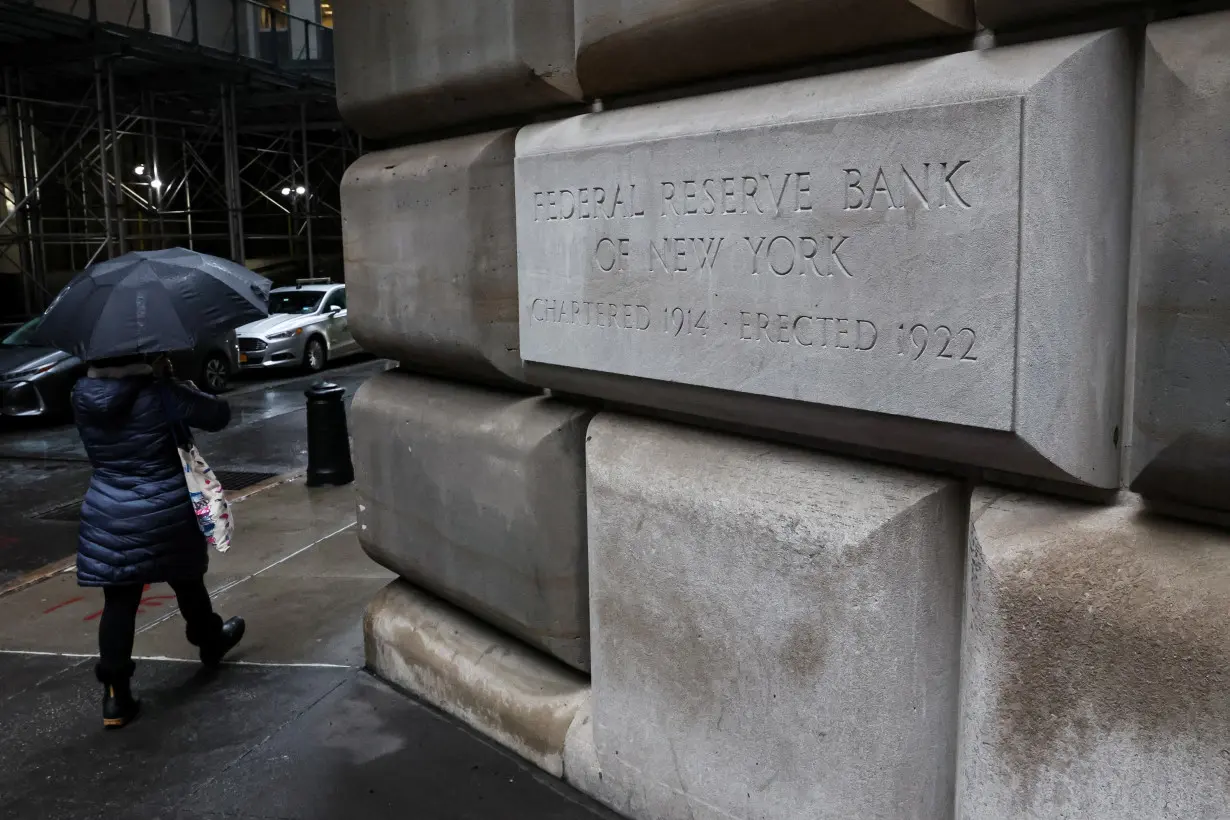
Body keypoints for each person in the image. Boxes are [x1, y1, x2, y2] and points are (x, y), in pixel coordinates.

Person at [73, 352, 245, 729]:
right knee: (186, 578)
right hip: (166, 506)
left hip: (109, 510)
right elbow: (219, 414)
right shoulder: (162, 393)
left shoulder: (82, 395)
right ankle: (210, 640)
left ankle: (115, 697)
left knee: (119, 598)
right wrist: (174, 384)